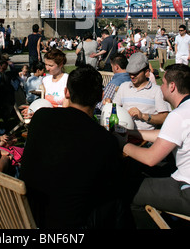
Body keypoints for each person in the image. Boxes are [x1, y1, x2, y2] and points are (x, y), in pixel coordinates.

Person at [20, 65, 134, 229]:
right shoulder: (103, 139)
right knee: (119, 197)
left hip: (32, 211)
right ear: (101, 96)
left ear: (66, 92)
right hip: (71, 223)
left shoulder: (40, 117)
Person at [123, 64, 190, 217]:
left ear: (172, 86)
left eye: (164, 83)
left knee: (127, 188)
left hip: (186, 189)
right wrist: (132, 132)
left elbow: (150, 158)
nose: (161, 87)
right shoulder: (185, 110)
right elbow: (168, 135)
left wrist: (122, 144)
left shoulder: (178, 115)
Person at [113, 52, 171, 130]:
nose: (132, 76)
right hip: (124, 133)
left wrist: (143, 116)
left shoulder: (157, 90)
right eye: (130, 73)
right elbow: (114, 108)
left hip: (146, 138)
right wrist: (109, 104)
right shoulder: (124, 87)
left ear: (146, 72)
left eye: (136, 73)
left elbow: (165, 117)